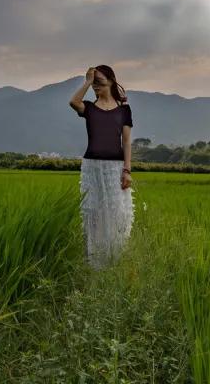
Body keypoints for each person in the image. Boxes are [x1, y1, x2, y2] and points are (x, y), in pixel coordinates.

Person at [68, 65, 135, 270]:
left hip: (115, 168)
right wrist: (87, 82)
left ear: (112, 82)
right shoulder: (89, 108)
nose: (97, 87)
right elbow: (73, 102)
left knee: (117, 214)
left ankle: (115, 260)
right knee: (93, 215)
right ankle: (95, 265)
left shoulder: (124, 110)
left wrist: (127, 170)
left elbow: (126, 141)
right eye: (94, 83)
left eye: (100, 82)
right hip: (91, 168)